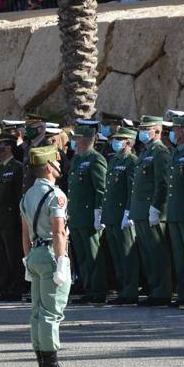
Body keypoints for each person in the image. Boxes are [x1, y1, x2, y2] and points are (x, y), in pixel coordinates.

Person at [21, 146, 81, 367]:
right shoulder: (57, 195)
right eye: (56, 163)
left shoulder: (26, 195)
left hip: (35, 253)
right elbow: (58, 231)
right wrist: (62, 262)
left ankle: (43, 364)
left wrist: (26, 259)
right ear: (48, 167)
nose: (60, 167)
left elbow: (24, 233)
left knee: (37, 312)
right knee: (50, 313)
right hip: (49, 253)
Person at [130, 116, 171, 306]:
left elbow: (162, 183)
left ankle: (162, 292)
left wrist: (156, 207)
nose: (143, 132)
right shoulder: (146, 152)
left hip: (151, 210)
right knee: (147, 253)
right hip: (140, 211)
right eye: (142, 128)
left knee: (157, 253)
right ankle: (154, 290)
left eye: (148, 129)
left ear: (158, 131)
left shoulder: (160, 152)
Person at [66, 125, 107, 303]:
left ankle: (98, 291)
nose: (74, 142)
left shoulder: (95, 159)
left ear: (85, 140)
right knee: (82, 256)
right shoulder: (77, 160)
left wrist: (99, 212)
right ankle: (88, 288)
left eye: (77, 138)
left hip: (90, 216)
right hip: (76, 216)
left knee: (93, 254)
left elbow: (101, 189)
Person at [102, 129, 139, 305]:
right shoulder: (114, 159)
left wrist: (128, 211)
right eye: (115, 139)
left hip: (122, 213)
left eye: (120, 139)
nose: (116, 142)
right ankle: (122, 289)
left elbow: (132, 188)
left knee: (127, 255)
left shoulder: (131, 161)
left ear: (129, 143)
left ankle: (130, 291)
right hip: (111, 214)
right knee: (117, 254)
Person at [0, 131, 26, 301]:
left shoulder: (17, 167)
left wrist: (19, 218)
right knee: (1, 255)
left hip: (10, 219)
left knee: (13, 254)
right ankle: (5, 286)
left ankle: (16, 287)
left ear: (9, 147)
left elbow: (19, 195)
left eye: (0, 146)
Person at [165, 115, 184, 307]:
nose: (173, 133)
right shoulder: (176, 152)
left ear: (183, 130)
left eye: (175, 129)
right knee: (180, 256)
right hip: (175, 211)